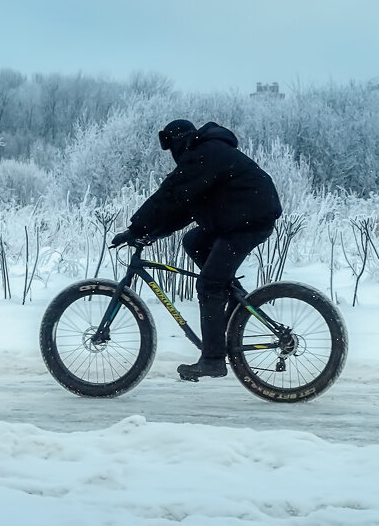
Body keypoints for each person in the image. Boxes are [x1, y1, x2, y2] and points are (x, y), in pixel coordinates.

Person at [110, 119, 282, 381]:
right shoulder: (206, 153)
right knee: (193, 241)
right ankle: (227, 291)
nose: (173, 156)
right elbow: (184, 208)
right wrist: (151, 233)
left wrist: (135, 229)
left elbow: (170, 195)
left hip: (247, 221)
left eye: (171, 149)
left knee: (209, 285)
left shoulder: (204, 154)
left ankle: (213, 360)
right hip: (241, 218)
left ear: (177, 142)